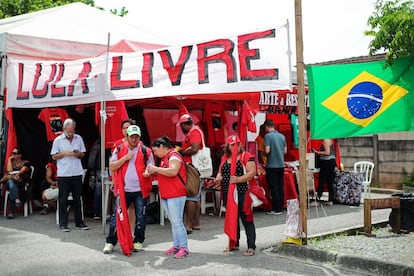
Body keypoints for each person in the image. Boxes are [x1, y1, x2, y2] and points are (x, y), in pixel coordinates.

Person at [103, 125, 154, 255]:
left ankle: (138, 241)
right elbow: (112, 166)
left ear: (140, 137)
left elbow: (151, 166)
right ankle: (110, 242)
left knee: (141, 217)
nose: (134, 139)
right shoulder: (119, 149)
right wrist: (125, 158)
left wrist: (149, 172)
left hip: (140, 190)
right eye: (132, 136)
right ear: (127, 137)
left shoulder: (145, 150)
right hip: (123, 189)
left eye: (137, 136)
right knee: (116, 217)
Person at [147, 135, 189, 259]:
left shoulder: (173, 156)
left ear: (161, 147)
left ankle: (183, 248)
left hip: (175, 194)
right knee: (174, 222)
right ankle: (177, 245)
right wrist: (154, 171)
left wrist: (155, 169)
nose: (155, 153)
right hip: (168, 194)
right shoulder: (166, 157)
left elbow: (173, 171)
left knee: (177, 222)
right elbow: (166, 172)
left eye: (155, 150)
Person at [215, 135, 257, 256]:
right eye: (232, 144)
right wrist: (219, 177)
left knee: (246, 218)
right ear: (228, 146)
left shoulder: (246, 156)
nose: (235, 147)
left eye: (237, 144)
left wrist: (238, 179)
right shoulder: (224, 158)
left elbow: (251, 173)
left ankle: (251, 246)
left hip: (243, 191)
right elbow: (220, 171)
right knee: (233, 217)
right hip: (227, 192)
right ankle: (234, 242)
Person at [51, 118, 89, 232]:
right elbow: (53, 156)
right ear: (63, 129)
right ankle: (63, 223)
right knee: (63, 199)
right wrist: (64, 153)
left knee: (78, 198)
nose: (71, 134)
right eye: (68, 132)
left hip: (77, 172)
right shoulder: (58, 140)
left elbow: (83, 154)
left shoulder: (79, 138)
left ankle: (79, 222)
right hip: (64, 173)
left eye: (72, 131)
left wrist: (78, 154)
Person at [177, 114, 204, 233]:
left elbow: (194, 149)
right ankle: (196, 223)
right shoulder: (194, 131)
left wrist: (181, 153)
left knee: (191, 197)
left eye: (181, 126)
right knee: (196, 196)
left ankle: (188, 225)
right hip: (195, 167)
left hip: (193, 167)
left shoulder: (194, 132)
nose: (181, 128)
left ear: (185, 124)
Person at [263, 119, 287, 215]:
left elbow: (267, 150)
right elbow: (285, 151)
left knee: (273, 187)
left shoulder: (267, 136)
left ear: (266, 127)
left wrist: (264, 153)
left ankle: (276, 208)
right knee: (280, 186)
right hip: (281, 164)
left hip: (271, 165)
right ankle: (281, 206)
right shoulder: (282, 136)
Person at [2, 147, 32, 219]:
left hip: (21, 183)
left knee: (11, 183)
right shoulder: (11, 163)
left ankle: (12, 212)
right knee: (11, 182)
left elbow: (24, 169)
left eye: (15, 153)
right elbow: (9, 171)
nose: (13, 155)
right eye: (12, 153)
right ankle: (16, 200)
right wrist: (9, 159)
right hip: (10, 183)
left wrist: (17, 175)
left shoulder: (25, 162)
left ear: (20, 155)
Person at [312, 139, 336, 205]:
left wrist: (317, 152)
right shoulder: (330, 140)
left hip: (327, 162)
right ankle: (330, 199)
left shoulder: (326, 140)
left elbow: (327, 152)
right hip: (331, 161)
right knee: (329, 181)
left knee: (321, 180)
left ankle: (318, 199)